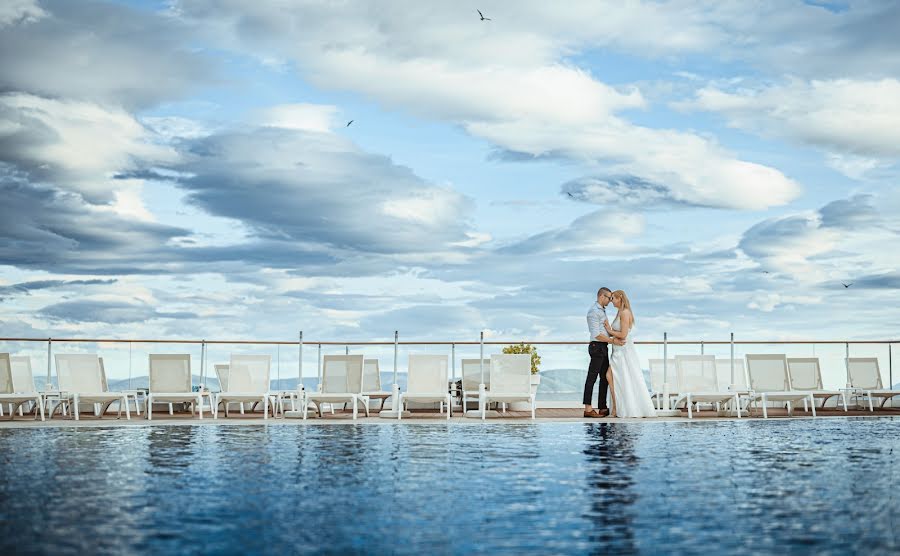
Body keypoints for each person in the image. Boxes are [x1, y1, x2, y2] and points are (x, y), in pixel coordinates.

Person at [603, 290, 656, 418]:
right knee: (618, 378)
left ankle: (617, 409)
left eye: (613, 299)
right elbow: (615, 332)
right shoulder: (619, 312)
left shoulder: (625, 313)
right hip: (617, 350)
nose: (611, 302)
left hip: (623, 351)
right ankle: (618, 408)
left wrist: (609, 330)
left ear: (620, 298)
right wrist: (608, 330)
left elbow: (623, 335)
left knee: (612, 376)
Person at [584, 287, 623, 418]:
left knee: (605, 377)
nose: (610, 300)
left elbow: (604, 330)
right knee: (592, 378)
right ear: (602, 296)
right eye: (609, 298)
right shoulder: (594, 312)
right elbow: (596, 335)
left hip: (603, 347)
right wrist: (613, 341)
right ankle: (588, 409)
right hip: (597, 346)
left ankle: (602, 407)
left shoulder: (601, 310)